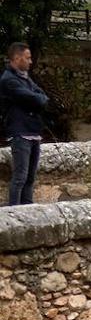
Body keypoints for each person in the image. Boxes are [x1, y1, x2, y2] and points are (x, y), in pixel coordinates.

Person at [1, 42, 47, 206]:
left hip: (33, 131)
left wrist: (38, 99)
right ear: (17, 58)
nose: (30, 61)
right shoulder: (9, 80)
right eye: (27, 58)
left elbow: (42, 95)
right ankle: (14, 213)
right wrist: (38, 99)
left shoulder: (25, 78)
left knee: (30, 177)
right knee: (20, 176)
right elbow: (32, 98)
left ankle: (28, 210)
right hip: (20, 132)